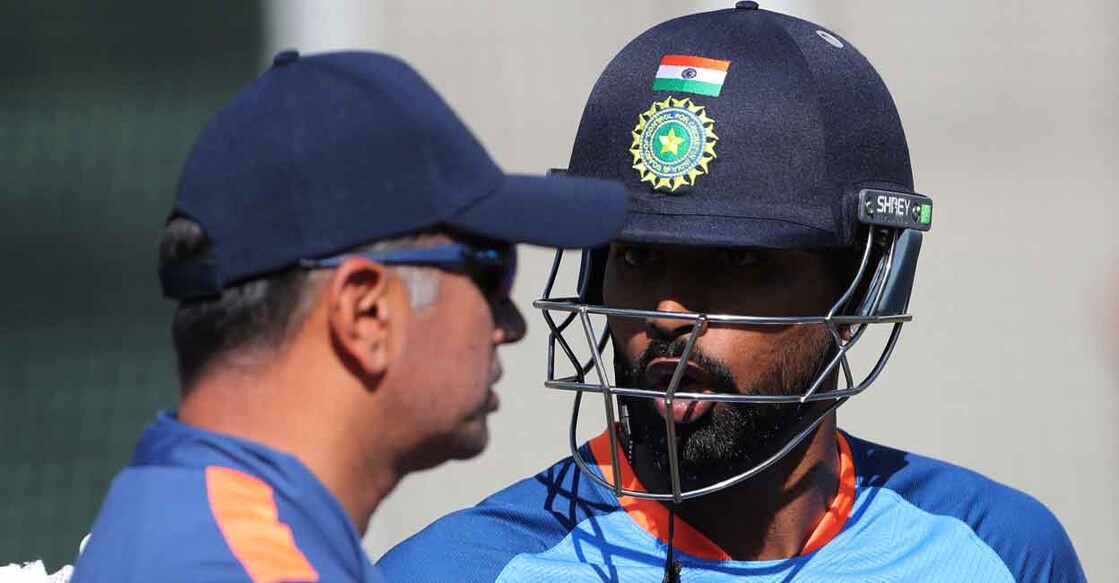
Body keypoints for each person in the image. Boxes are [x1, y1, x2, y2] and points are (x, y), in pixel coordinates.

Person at [378, 5, 1086, 582]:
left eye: (738, 257)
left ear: (859, 291)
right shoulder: (461, 569)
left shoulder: (999, 551)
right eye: (637, 255)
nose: (667, 313)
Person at [70, 49, 627, 582]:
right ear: (365, 313)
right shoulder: (252, 567)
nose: (511, 324)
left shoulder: (173, 506)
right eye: (490, 272)